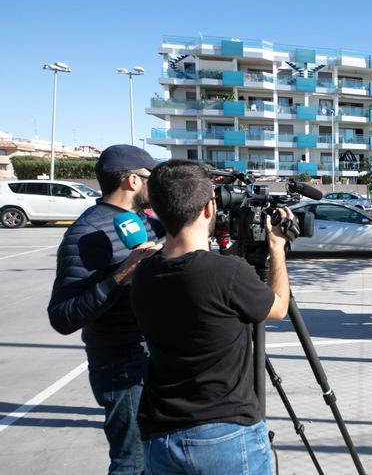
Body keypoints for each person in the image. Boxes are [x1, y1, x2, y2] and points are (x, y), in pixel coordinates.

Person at [130, 159, 291, 474]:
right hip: (225, 434)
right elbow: (279, 307)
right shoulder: (227, 273)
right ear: (208, 209)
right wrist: (278, 249)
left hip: (160, 434)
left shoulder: (143, 271)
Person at [47, 144, 164, 475]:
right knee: (132, 463)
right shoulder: (85, 233)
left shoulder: (143, 221)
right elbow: (62, 316)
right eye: (150, 178)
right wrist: (120, 275)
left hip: (153, 357)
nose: (154, 184)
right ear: (131, 180)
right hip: (122, 368)